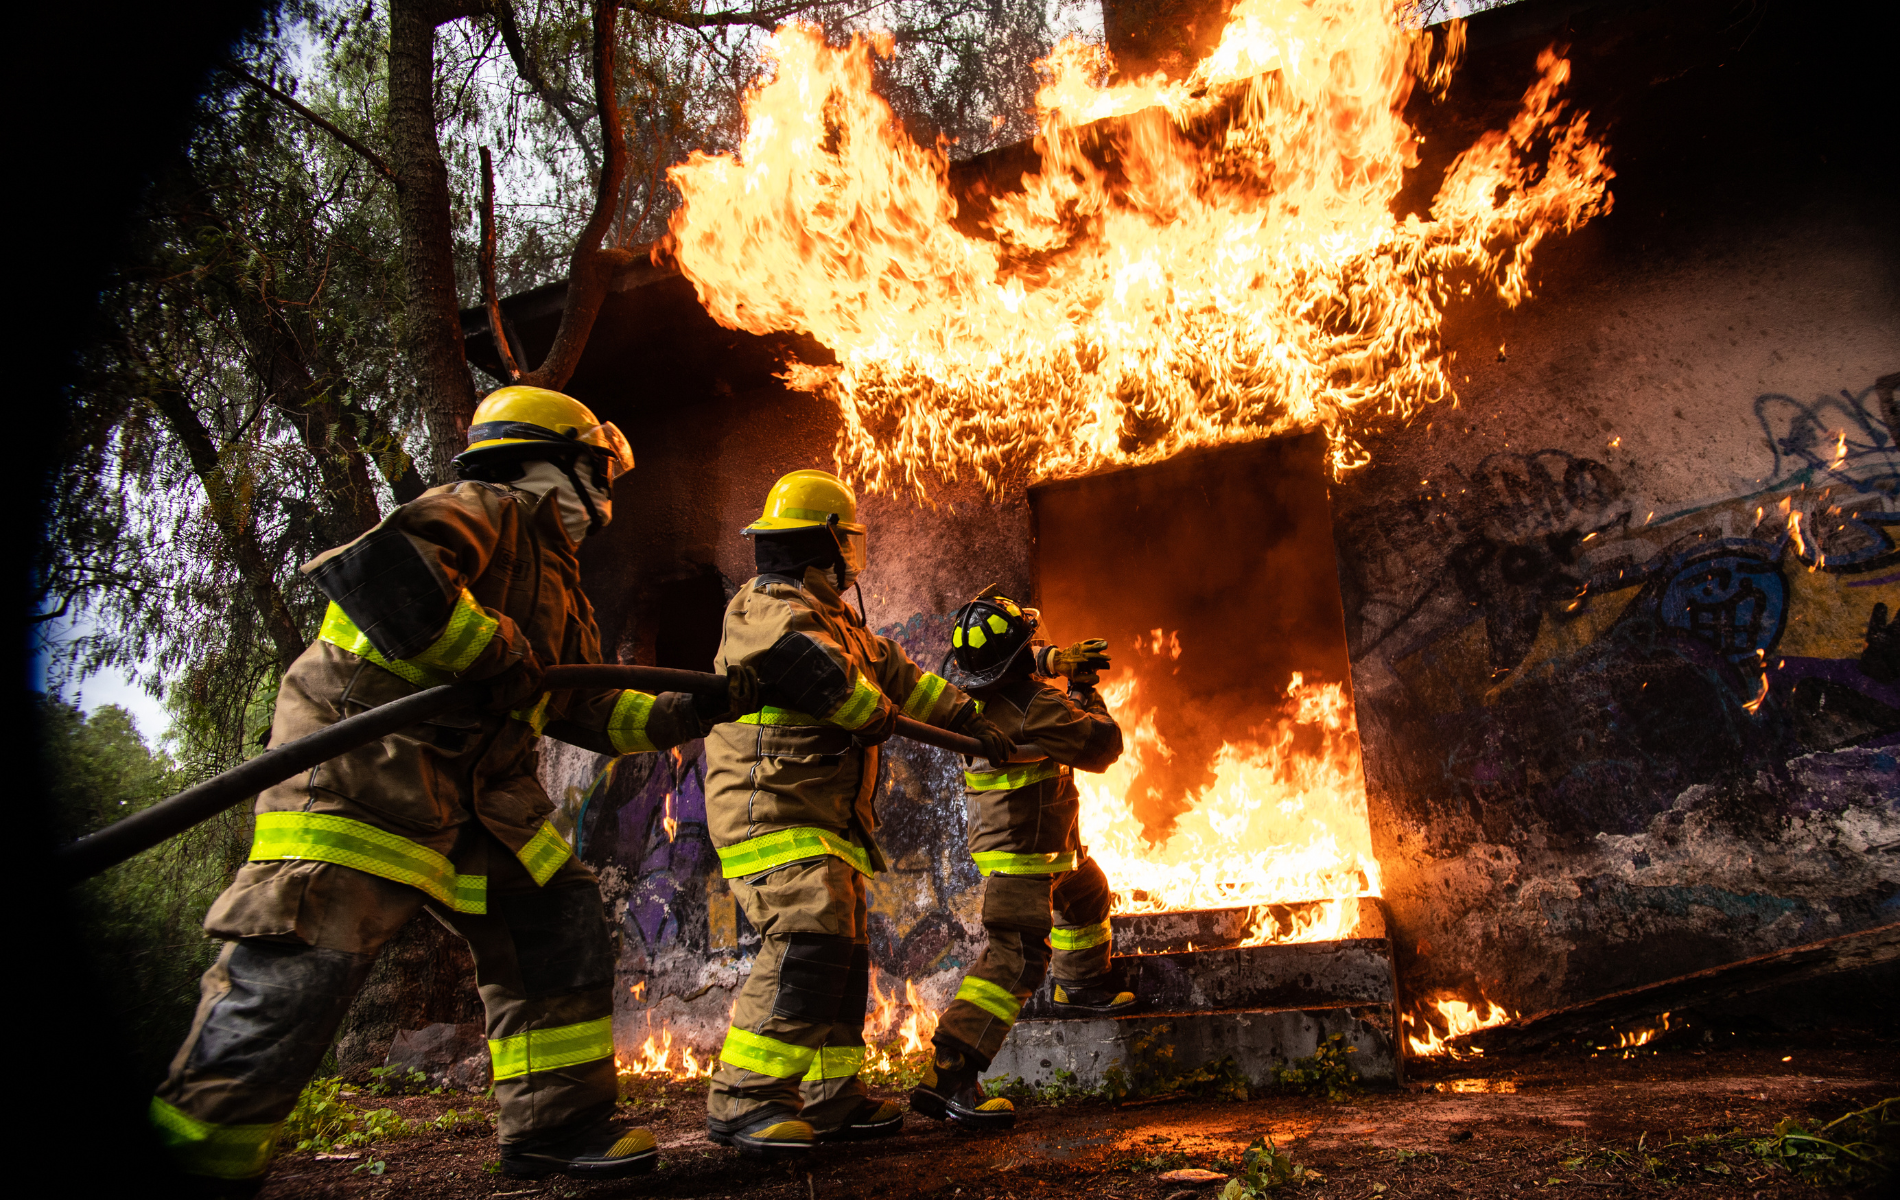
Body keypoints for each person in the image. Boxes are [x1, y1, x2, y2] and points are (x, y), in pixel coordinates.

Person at [149, 386, 753, 1189]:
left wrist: (691, 708)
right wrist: (488, 643)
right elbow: (385, 575)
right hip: (371, 773)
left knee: (554, 919)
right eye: (596, 470)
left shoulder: (559, 582)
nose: (604, 495)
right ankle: (196, 1152)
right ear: (552, 463)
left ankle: (555, 1126)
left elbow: (583, 709)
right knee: (306, 963)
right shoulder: (479, 506)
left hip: (482, 797)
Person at [701, 469, 1015, 1158]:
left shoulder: (836, 619)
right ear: (824, 543)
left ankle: (829, 1097)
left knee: (842, 949)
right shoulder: (766, 607)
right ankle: (747, 1098)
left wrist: (970, 718)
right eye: (846, 542)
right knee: (809, 933)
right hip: (770, 810)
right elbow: (822, 678)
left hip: (824, 815)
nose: (852, 558)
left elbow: (897, 676)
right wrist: (867, 711)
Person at [910, 590, 1133, 1130]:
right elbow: (1103, 745)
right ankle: (952, 1072)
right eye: (1030, 648)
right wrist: (1083, 688)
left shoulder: (971, 702)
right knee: (1015, 959)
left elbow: (1003, 663)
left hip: (1035, 847)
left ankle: (1080, 984)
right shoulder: (1041, 709)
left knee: (1086, 891)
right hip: (1026, 855)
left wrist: (1054, 660)